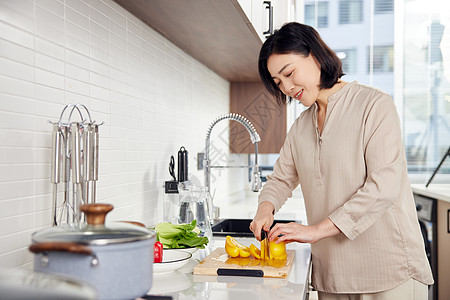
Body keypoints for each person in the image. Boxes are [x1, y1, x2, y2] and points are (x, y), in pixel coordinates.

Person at [249, 22, 433, 299]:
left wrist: (314, 231)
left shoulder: (374, 104)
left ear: (314, 54)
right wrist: (265, 208)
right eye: (278, 83)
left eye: (289, 73)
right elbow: (281, 178)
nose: (286, 87)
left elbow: (383, 187)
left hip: (389, 271)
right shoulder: (301, 126)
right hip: (332, 277)